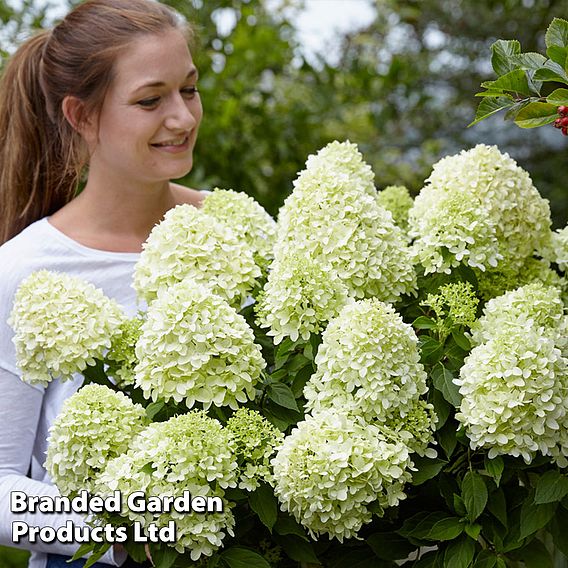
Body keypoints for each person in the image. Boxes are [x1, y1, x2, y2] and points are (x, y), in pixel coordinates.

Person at [0, 0, 203, 566]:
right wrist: (141, 528)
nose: (183, 118)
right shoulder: (21, 272)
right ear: (80, 115)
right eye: (150, 100)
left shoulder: (239, 229)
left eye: (189, 89)